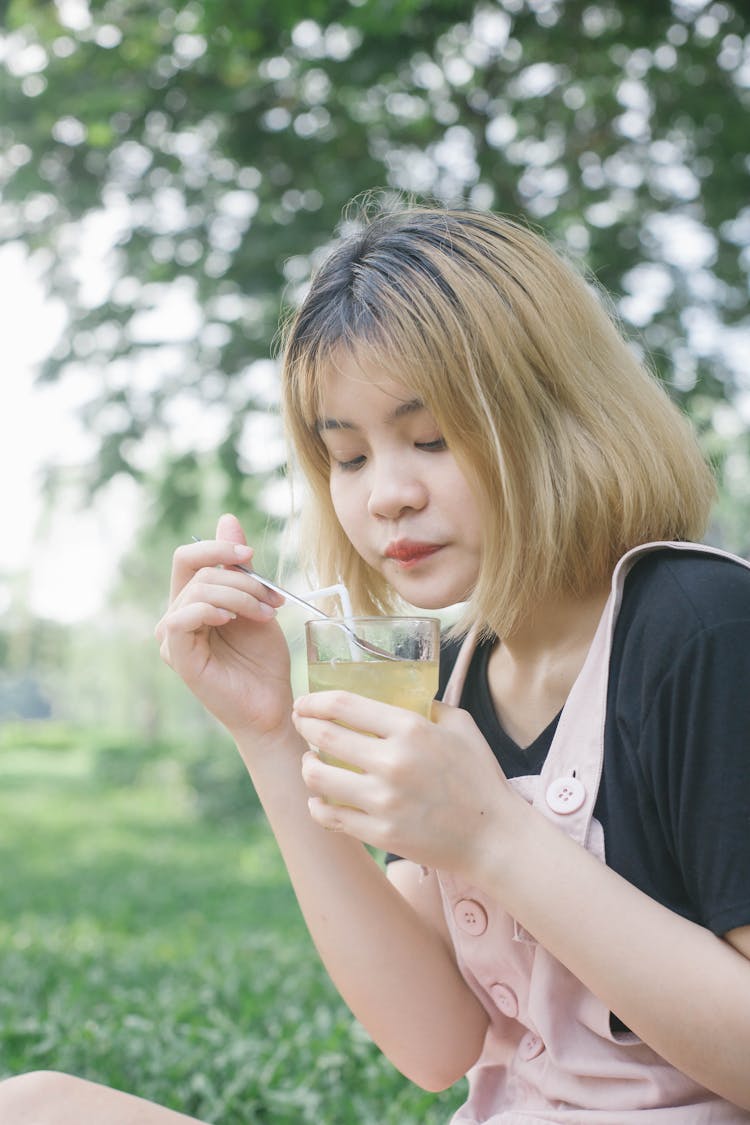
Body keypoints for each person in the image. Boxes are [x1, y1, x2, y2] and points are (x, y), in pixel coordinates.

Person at [2, 203, 750, 1122]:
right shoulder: (459, 674)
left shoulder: (701, 629)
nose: (386, 495)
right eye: (347, 456)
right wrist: (272, 736)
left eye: (431, 439)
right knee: (32, 1105)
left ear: (558, 414)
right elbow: (434, 1042)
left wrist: (494, 839)